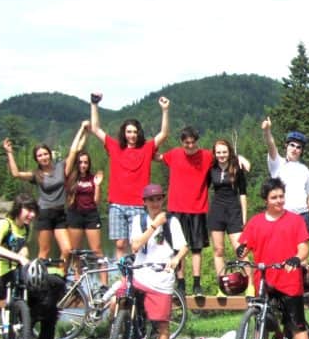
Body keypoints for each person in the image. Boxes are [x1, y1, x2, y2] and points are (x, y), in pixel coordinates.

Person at [236, 177, 309, 339]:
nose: (279, 200)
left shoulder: (295, 220)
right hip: (264, 279)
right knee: (259, 323)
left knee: (297, 324)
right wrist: (241, 251)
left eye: (281, 196)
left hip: (289, 279)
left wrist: (297, 258)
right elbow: (245, 246)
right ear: (266, 200)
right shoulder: (255, 222)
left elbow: (304, 246)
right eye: (274, 197)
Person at [0, 194, 65, 339]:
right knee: (48, 293)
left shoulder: (24, 228)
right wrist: (18, 258)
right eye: (28, 211)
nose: (32, 215)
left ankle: (35, 331)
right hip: (1, 275)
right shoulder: (3, 224)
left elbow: (22, 249)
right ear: (18, 208)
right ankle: (31, 320)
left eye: (34, 211)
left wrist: (26, 257)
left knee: (55, 287)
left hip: (18, 273)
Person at [89, 93, 170, 259]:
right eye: (129, 132)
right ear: (124, 133)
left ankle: (137, 278)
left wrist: (165, 110)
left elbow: (164, 133)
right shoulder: (115, 147)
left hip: (138, 204)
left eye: (134, 132)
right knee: (119, 244)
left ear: (138, 133)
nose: (132, 135)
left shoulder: (146, 149)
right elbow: (95, 128)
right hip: (117, 204)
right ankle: (123, 280)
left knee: (137, 243)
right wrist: (94, 104)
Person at [127, 184, 189, 339]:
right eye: (151, 200)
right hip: (140, 273)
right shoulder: (139, 220)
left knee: (162, 323)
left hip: (161, 277)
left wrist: (175, 259)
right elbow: (135, 246)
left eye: (158, 199)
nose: (155, 203)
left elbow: (183, 248)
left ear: (162, 200)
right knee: (117, 300)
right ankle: (122, 331)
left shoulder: (172, 222)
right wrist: (154, 225)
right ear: (144, 202)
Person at [158, 126, 213, 298]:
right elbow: (155, 156)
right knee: (177, 249)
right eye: (186, 143)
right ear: (181, 142)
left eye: (192, 142)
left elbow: (225, 156)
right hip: (176, 209)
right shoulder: (174, 154)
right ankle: (180, 284)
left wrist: (241, 159)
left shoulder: (206, 156)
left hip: (197, 208)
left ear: (196, 141)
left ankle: (197, 284)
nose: (189, 146)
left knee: (196, 248)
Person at [2, 136, 73, 267]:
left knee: (67, 250)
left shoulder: (60, 167)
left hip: (60, 214)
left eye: (45, 154)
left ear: (50, 154)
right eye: (39, 155)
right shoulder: (36, 174)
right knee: (44, 251)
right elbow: (16, 174)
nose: (43, 157)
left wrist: (83, 131)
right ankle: (39, 282)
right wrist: (9, 153)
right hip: (44, 214)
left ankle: (60, 278)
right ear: (37, 159)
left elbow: (75, 150)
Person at [208, 138, 251, 288]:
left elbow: (243, 193)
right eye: (218, 152)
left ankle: (251, 285)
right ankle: (222, 285)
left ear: (229, 152)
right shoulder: (211, 168)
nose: (221, 155)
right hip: (216, 212)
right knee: (218, 250)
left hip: (233, 211)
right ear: (214, 153)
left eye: (224, 152)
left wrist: (244, 218)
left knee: (241, 251)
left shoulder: (236, 167)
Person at [261, 117, 309, 235]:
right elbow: (271, 145)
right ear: (286, 146)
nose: (295, 149)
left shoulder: (305, 169)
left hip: (303, 214)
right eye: (292, 145)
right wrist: (267, 131)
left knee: (302, 251)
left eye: (298, 147)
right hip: (284, 213)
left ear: (301, 150)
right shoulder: (277, 163)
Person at [64, 121, 105, 268]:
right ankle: (77, 284)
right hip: (75, 214)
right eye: (81, 162)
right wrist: (83, 131)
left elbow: (97, 201)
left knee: (97, 251)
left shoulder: (93, 178)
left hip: (91, 215)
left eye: (86, 163)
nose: (83, 165)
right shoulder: (70, 176)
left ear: (89, 164)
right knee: (75, 252)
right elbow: (74, 150)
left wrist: (98, 185)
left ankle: (104, 286)